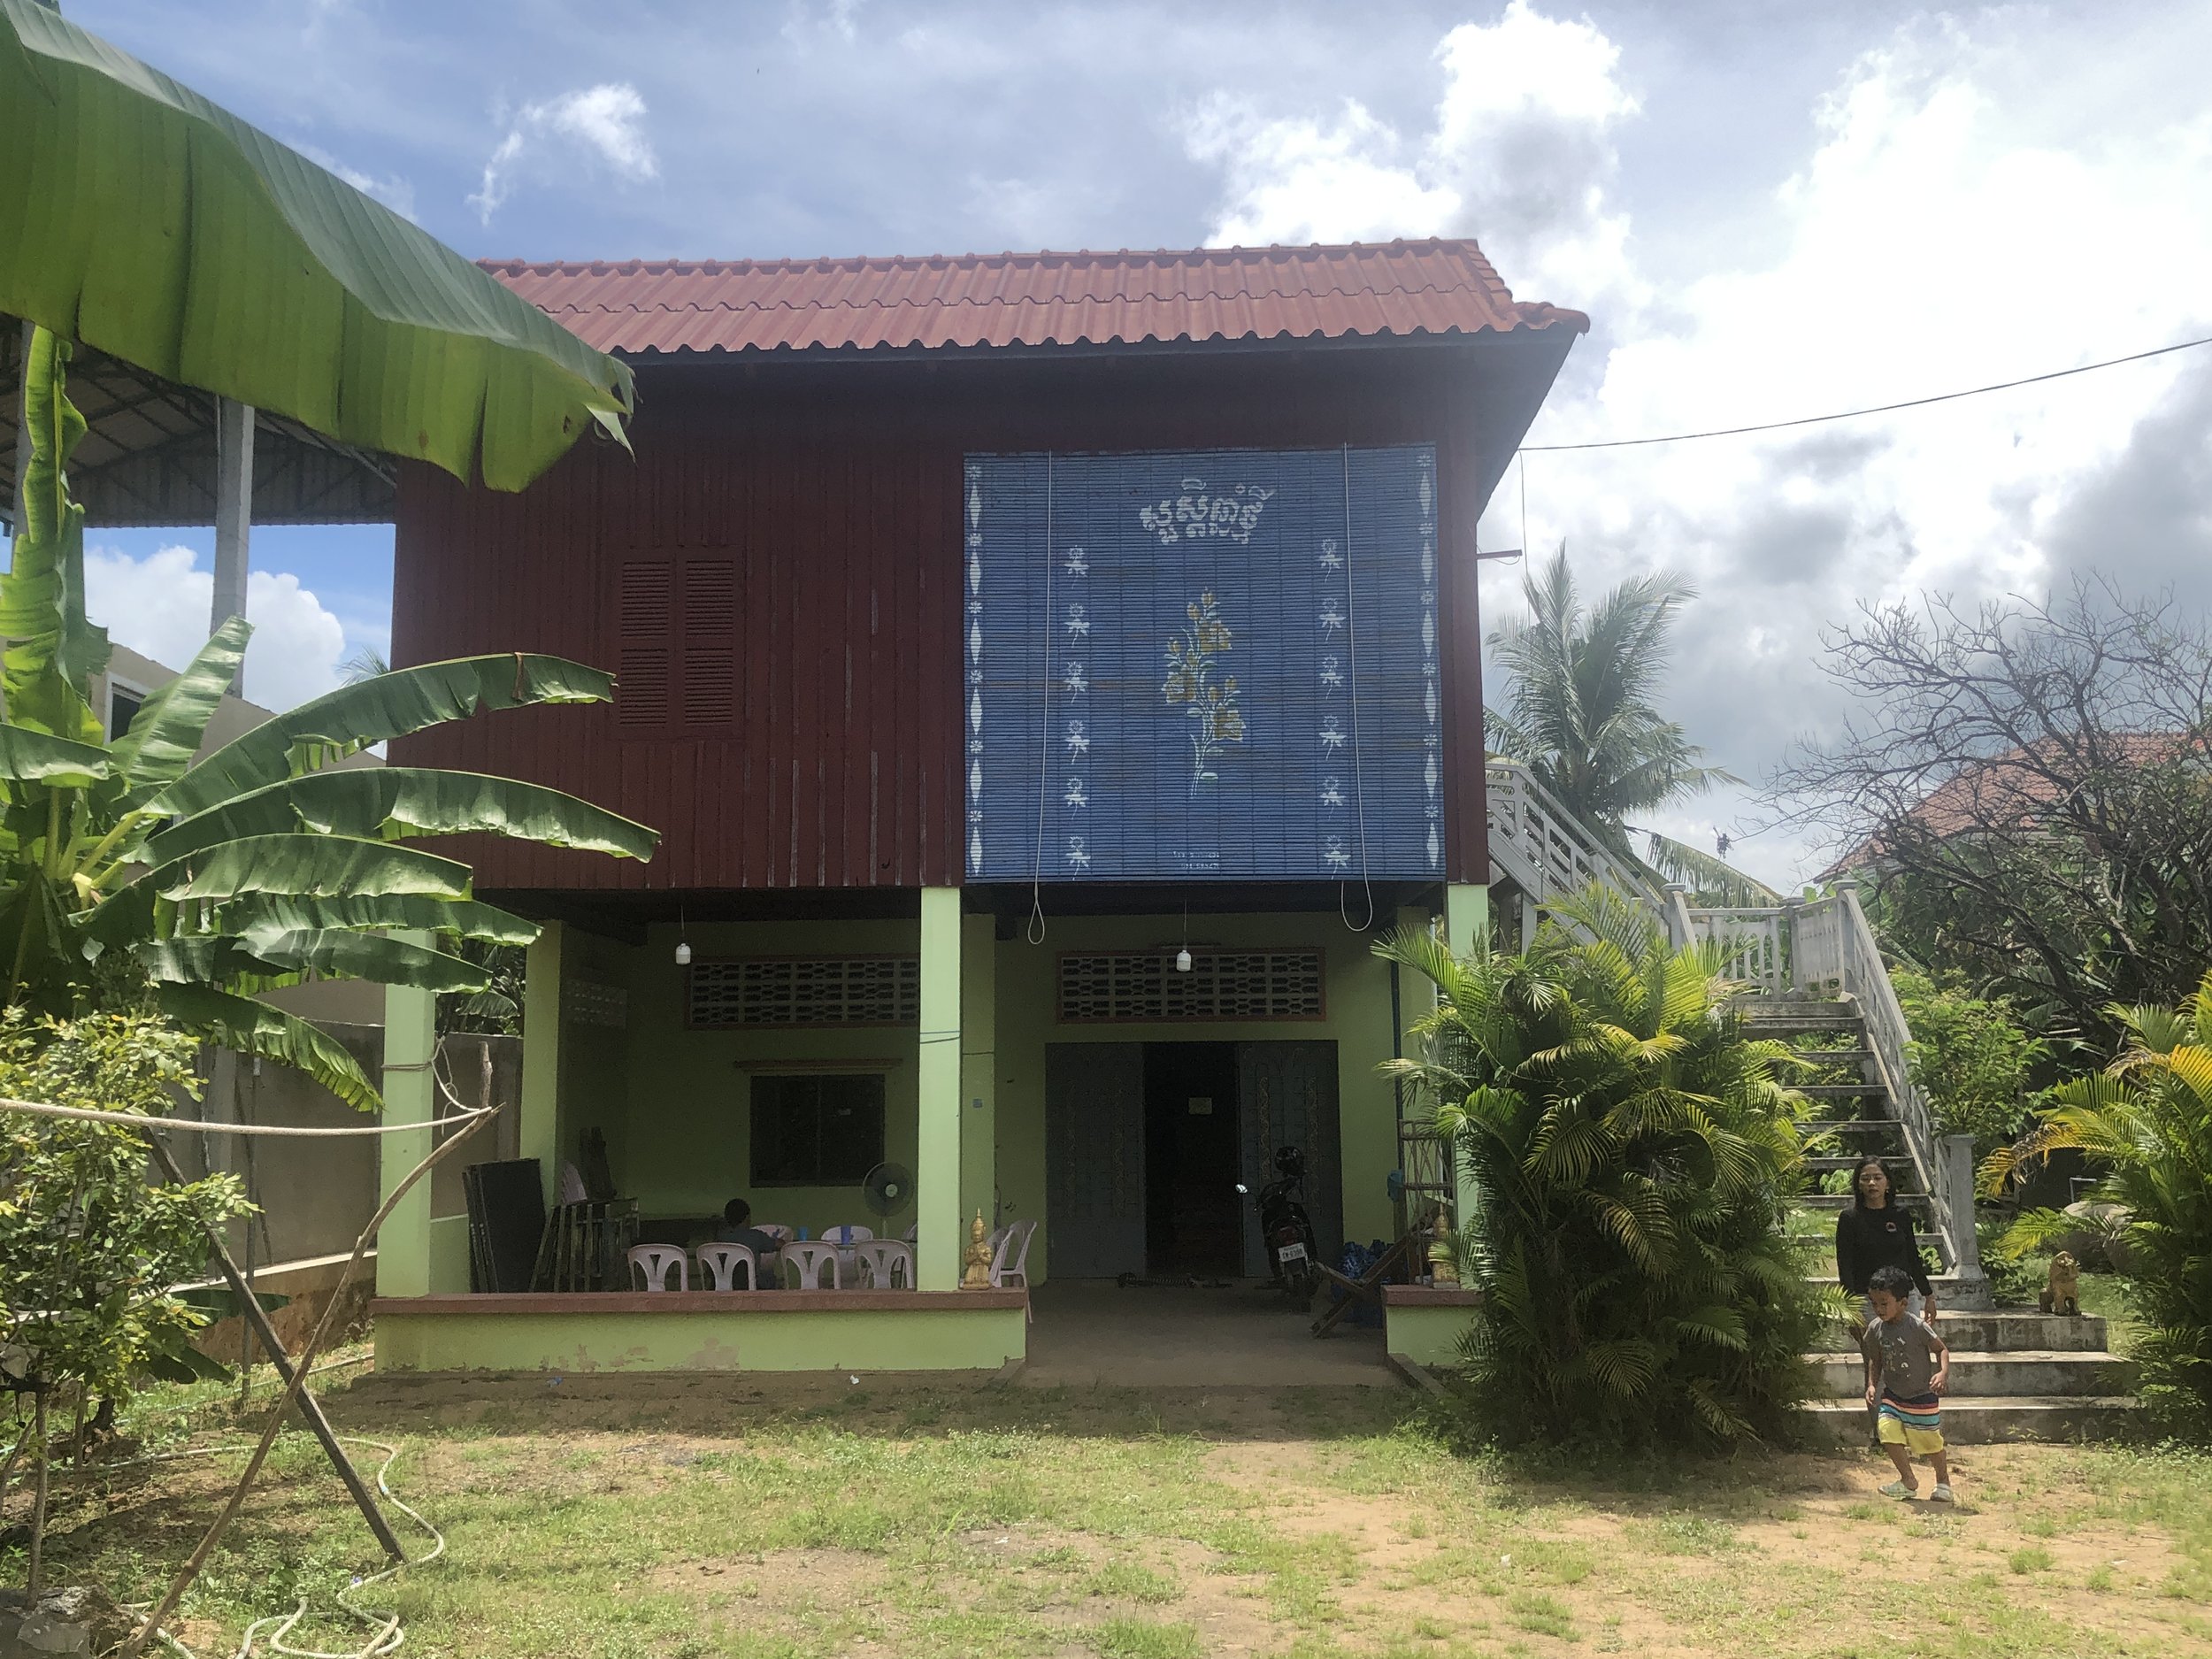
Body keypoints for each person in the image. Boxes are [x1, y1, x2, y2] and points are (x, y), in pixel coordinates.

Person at [1862, 1263, 1953, 1502]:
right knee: (1887, 1432)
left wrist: (1942, 1373)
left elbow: (1941, 1349)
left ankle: (1943, 1482)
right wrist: (1872, 1384)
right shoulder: (1875, 1329)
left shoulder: (1917, 1327)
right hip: (1893, 1395)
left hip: (1922, 1395)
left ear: (1902, 1303)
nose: (1879, 1309)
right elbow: (1875, 1359)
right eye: (1874, 1304)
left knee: (1930, 1442)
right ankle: (1908, 1480)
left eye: (1884, 1303)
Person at [1835, 1156, 1937, 1325]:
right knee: (1876, 1350)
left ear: (1888, 1183)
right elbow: (1845, 1264)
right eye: (1866, 1179)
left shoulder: (1901, 1215)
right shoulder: (1849, 1218)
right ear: (1858, 1185)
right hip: (1868, 1299)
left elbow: (1912, 1256)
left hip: (1903, 1297)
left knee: (1911, 1347)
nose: (1872, 1183)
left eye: (1877, 1177)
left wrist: (1928, 1295)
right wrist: (1851, 1307)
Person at [715, 1199, 780, 1265]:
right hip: (750, 1275)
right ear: (747, 1217)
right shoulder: (755, 1236)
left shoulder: (720, 1236)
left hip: (722, 1275)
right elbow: (779, 1245)